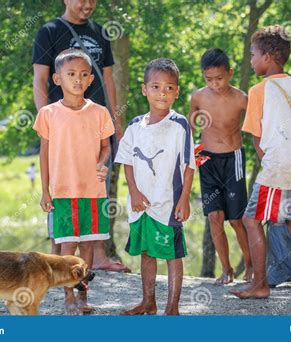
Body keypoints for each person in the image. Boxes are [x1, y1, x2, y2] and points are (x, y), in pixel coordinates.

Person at [32, 0, 129, 272]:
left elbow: (108, 79)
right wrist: (47, 120)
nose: (88, 4)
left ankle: (97, 255)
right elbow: (40, 78)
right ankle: (56, 258)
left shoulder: (101, 32)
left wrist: (116, 121)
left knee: (95, 186)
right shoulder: (49, 31)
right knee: (64, 187)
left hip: (96, 122)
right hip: (63, 126)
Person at [232, 25, 291, 299]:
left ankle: (260, 284)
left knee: (251, 220)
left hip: (276, 170)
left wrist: (269, 165)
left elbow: (255, 137)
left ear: (268, 56)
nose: (251, 60)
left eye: (253, 54)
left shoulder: (259, 90)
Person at [33, 49, 114, 314]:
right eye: (71, 74)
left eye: (83, 75)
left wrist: (102, 163)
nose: (77, 80)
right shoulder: (48, 114)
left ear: (91, 79)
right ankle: (68, 297)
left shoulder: (100, 112)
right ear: (57, 79)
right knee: (67, 246)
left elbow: (106, 146)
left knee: (88, 246)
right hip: (63, 192)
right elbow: (44, 154)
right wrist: (45, 191)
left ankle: (83, 296)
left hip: (93, 192)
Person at [116, 58, 195, 315]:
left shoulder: (179, 124)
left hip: (167, 203)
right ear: (144, 89)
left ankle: (173, 306)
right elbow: (127, 161)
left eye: (169, 88)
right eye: (156, 87)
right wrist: (134, 192)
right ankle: (148, 301)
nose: (163, 93)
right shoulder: (134, 126)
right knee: (147, 252)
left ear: (177, 92)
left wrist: (184, 198)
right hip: (140, 204)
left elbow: (189, 165)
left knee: (172, 254)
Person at [189, 48, 252, 284]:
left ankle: (250, 265)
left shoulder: (241, 98)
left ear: (230, 73)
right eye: (209, 79)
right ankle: (226, 270)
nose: (215, 84)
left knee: (236, 219)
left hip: (233, 159)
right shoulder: (198, 97)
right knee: (214, 216)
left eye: (220, 78)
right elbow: (190, 125)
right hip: (206, 160)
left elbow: (258, 123)